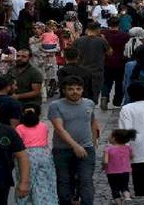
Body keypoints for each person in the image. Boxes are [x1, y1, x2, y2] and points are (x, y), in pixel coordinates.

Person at [48, 76, 100, 205]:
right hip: (62, 150)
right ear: (64, 91)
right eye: (70, 89)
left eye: (78, 89)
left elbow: (93, 123)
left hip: (86, 149)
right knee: (64, 182)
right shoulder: (56, 106)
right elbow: (59, 129)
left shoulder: (89, 103)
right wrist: (75, 146)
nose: (75, 92)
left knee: (86, 180)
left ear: (82, 90)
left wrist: (93, 143)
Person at [14, 104, 58, 205]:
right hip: (44, 154)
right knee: (44, 182)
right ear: (38, 114)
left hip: (26, 156)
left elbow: (17, 144)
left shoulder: (19, 128)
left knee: (24, 181)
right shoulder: (44, 126)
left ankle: (23, 202)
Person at [72, 23, 112, 105]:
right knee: (93, 97)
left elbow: (72, 54)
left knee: (81, 94)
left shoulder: (78, 40)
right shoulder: (101, 40)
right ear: (98, 29)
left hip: (80, 71)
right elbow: (110, 53)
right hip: (96, 73)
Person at [102, 129, 137, 205]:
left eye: (110, 136)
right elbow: (132, 156)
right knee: (125, 186)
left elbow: (105, 161)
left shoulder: (108, 148)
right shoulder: (128, 148)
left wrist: (104, 167)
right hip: (125, 172)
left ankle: (119, 203)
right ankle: (127, 197)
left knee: (115, 189)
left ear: (114, 138)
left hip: (112, 173)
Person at [101, 17, 130, 110]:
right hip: (121, 62)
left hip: (107, 61)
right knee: (119, 83)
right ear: (119, 24)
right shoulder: (125, 35)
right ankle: (117, 101)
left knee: (106, 82)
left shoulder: (104, 34)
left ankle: (104, 96)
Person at [29, 22, 59, 100]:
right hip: (38, 61)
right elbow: (34, 50)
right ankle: (41, 95)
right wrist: (46, 51)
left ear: (43, 29)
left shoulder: (52, 36)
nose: (36, 30)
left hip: (50, 61)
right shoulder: (32, 39)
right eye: (34, 28)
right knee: (39, 78)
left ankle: (47, 91)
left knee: (48, 78)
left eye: (38, 28)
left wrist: (48, 51)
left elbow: (57, 48)